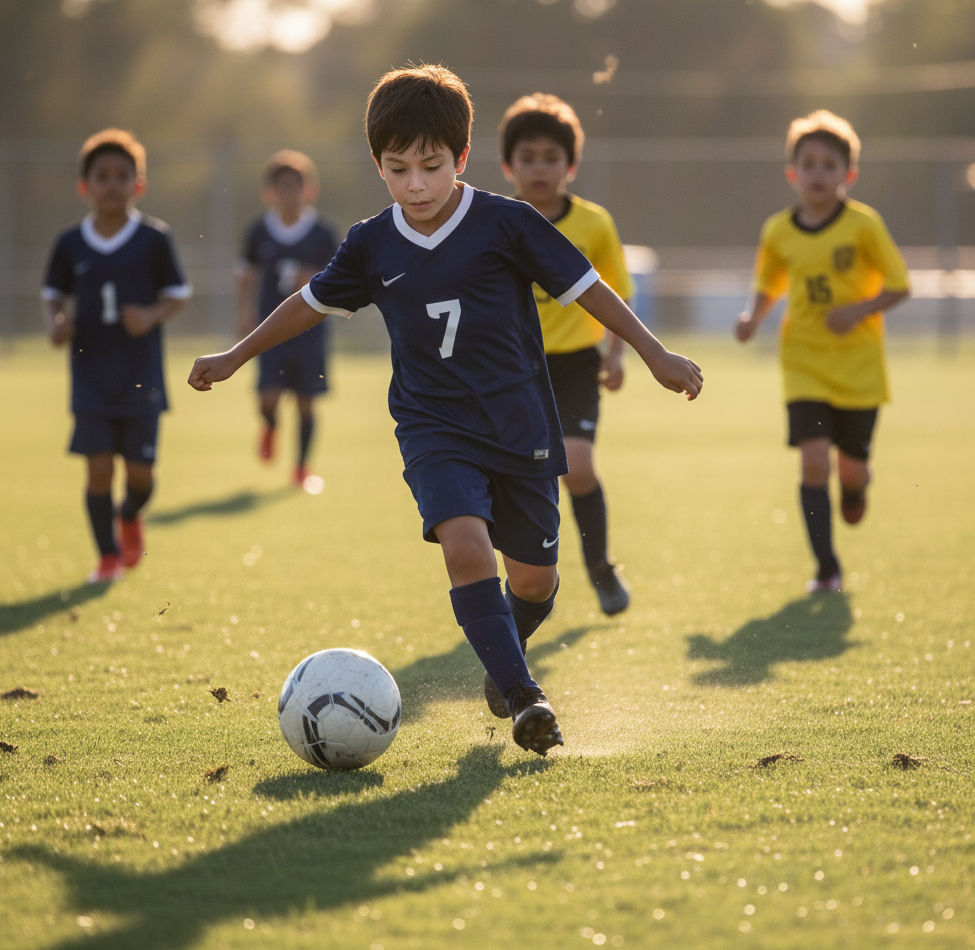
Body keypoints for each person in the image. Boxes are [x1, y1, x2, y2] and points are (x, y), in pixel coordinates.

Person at [188, 65, 702, 756]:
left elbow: (587, 286)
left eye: (431, 166)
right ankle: (525, 697)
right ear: (379, 167)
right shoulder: (372, 243)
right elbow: (307, 303)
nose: (416, 185)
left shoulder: (506, 222)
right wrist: (236, 355)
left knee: (536, 581)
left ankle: (506, 656)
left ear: (460, 158)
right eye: (398, 169)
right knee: (465, 549)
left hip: (519, 424)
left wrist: (654, 353)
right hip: (434, 426)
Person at [734, 110, 909, 592]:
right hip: (804, 363)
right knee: (814, 463)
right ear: (793, 173)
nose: (817, 173)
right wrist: (753, 317)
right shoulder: (778, 231)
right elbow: (767, 284)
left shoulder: (864, 226)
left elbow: (900, 285)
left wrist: (859, 311)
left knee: (850, 469)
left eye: (829, 165)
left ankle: (856, 485)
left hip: (859, 368)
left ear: (848, 175)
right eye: (808, 164)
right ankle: (826, 568)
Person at [499, 92, 634, 617]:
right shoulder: (497, 221)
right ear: (509, 164)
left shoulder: (594, 224)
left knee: (576, 468)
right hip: (512, 367)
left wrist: (617, 354)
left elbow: (616, 294)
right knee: (519, 477)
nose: (539, 168)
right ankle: (526, 590)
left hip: (576, 362)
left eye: (551, 158)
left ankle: (599, 567)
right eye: (528, 157)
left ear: (570, 166)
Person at [42, 128, 190, 583]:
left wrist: (149, 315)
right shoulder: (70, 242)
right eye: (101, 176)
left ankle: (130, 516)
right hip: (90, 376)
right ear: (84, 186)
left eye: (122, 176)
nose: (111, 184)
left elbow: (178, 294)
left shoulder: (153, 239)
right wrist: (57, 323)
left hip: (140, 376)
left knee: (141, 476)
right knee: (100, 468)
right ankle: (107, 558)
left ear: (138, 184)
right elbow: (53, 294)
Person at [236, 151, 339, 490]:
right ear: (270, 192)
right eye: (282, 187)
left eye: (295, 187)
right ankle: (270, 426)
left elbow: (339, 279)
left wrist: (313, 277)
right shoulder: (259, 231)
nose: (289, 194)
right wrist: (245, 311)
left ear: (308, 190)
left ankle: (301, 469)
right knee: (268, 397)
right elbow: (246, 274)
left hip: (311, 331)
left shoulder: (323, 233)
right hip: (271, 331)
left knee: (307, 402)